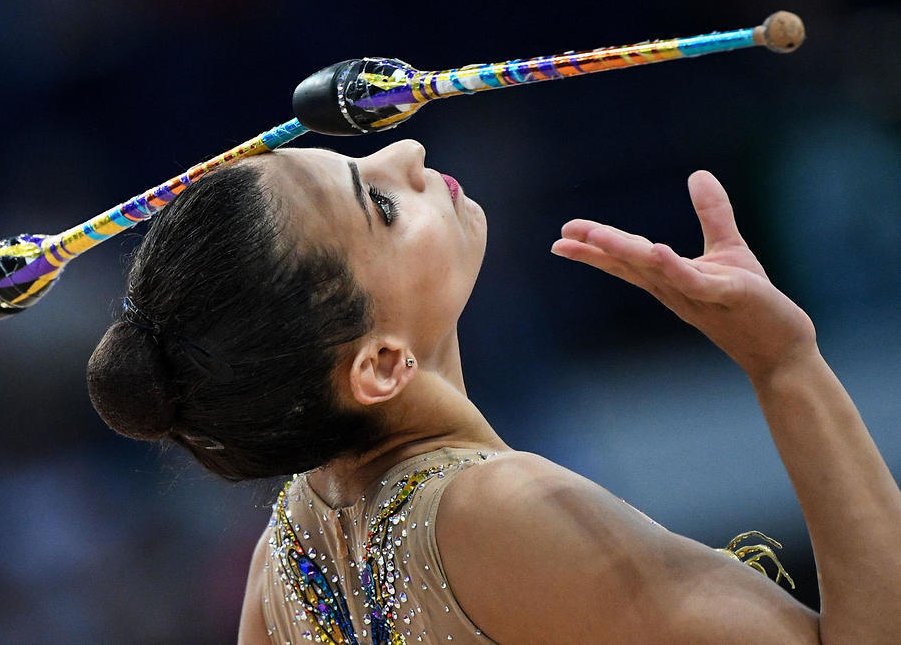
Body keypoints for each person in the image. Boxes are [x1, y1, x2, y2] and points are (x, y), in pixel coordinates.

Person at [87, 140, 900, 643]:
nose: (404, 153)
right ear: (378, 363)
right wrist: (786, 367)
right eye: (380, 206)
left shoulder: (288, 563)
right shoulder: (494, 512)